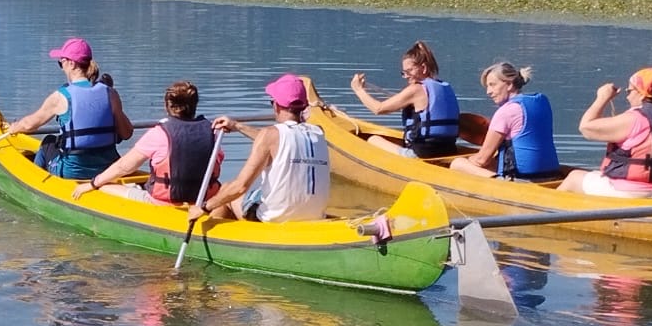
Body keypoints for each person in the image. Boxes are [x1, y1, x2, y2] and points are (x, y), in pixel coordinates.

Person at [192, 74, 330, 224]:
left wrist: (205, 207)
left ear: (276, 105)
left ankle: (212, 238)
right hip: (314, 216)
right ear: (304, 106)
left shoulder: (270, 136)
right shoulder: (318, 132)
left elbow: (240, 187)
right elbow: (278, 143)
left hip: (275, 219)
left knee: (226, 192)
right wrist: (237, 126)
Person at [74, 80, 222, 206]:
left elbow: (124, 167)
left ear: (167, 106)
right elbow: (218, 160)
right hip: (203, 199)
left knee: (103, 187)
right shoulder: (211, 132)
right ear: (195, 106)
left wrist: (93, 183)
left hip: (163, 202)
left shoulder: (159, 133)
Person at [5, 36, 133, 180]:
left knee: (48, 143)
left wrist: (14, 128)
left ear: (72, 64)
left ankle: (34, 185)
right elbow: (127, 133)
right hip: (108, 169)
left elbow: (29, 124)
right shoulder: (110, 93)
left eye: (61, 62)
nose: (61, 66)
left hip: (73, 172)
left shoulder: (60, 97)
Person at [558, 66, 652, 196]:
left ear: (642, 93)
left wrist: (602, 98)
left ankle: (551, 213)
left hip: (635, 192)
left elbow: (586, 128)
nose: (628, 97)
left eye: (629, 91)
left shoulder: (635, 119)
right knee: (592, 175)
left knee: (574, 178)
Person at [348, 41, 462, 157]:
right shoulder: (445, 87)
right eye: (404, 72)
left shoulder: (415, 89)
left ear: (423, 68)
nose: (406, 76)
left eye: (409, 71)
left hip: (422, 154)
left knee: (373, 140)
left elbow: (378, 109)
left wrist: (359, 90)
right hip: (449, 151)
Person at [467, 60, 561, 179]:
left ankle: (498, 184)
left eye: (492, 85)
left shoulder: (505, 112)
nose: (488, 92)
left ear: (510, 84)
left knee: (458, 163)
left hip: (520, 178)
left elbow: (482, 160)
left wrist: (469, 159)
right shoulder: (542, 102)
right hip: (552, 173)